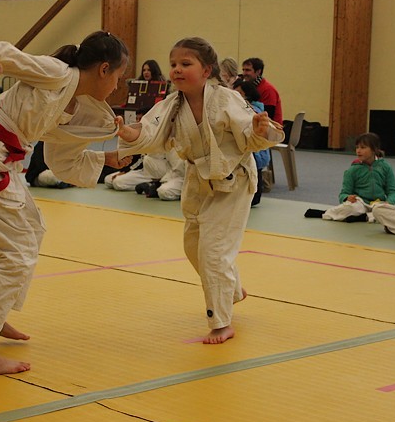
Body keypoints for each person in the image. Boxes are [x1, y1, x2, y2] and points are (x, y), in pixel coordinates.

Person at [0, 29, 131, 374]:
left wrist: (106, 159)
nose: (117, 86)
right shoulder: (57, 73)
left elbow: (62, 162)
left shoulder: (75, 104)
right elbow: (2, 51)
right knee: (18, 253)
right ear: (104, 69)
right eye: (118, 76)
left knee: (34, 229)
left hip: (1, 162)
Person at [116, 37, 284, 344]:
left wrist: (260, 129)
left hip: (233, 180)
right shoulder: (172, 103)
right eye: (173, 64)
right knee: (193, 245)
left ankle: (221, 322)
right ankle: (232, 290)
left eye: (186, 64)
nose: (177, 70)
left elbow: (253, 133)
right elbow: (151, 132)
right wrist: (129, 133)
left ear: (206, 70)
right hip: (198, 180)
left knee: (213, 250)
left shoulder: (226, 99)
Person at [314, 133, 395, 222]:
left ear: (374, 149)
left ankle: (365, 217)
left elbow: (392, 191)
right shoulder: (353, 170)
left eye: (363, 147)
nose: (358, 151)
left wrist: (389, 202)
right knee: (348, 208)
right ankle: (368, 217)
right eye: (357, 147)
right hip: (360, 204)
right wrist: (347, 197)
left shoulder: (385, 167)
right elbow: (343, 194)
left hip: (379, 204)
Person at [232, 78, 270, 206]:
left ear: (247, 95)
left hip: (255, 157)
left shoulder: (252, 112)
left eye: (238, 94)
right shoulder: (257, 109)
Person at [105, 148, 185, 201]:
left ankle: (154, 184)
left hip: (176, 175)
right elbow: (139, 157)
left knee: (164, 192)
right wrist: (126, 170)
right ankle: (153, 184)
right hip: (144, 169)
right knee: (109, 180)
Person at [241, 57, 283, 125]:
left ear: (258, 71)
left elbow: (268, 117)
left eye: (248, 70)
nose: (244, 73)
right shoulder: (249, 87)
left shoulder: (268, 90)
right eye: (243, 70)